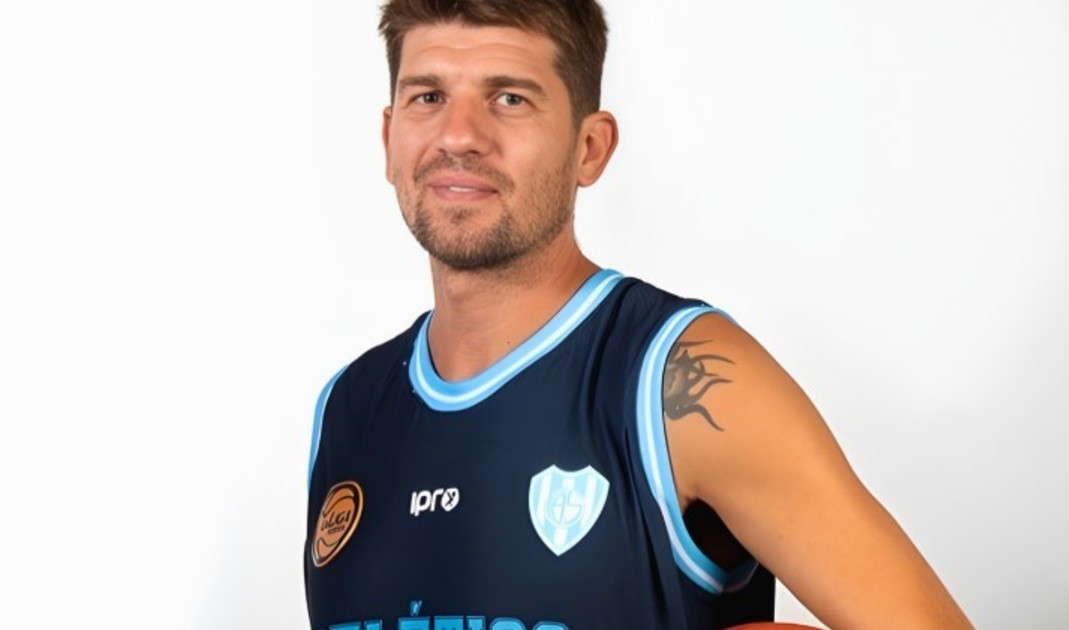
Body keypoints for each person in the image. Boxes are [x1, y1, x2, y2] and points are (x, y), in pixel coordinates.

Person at [304, 1, 974, 629]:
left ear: (590, 149)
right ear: (389, 138)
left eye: (509, 98)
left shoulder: (686, 383)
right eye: (428, 97)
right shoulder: (349, 408)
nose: (459, 135)